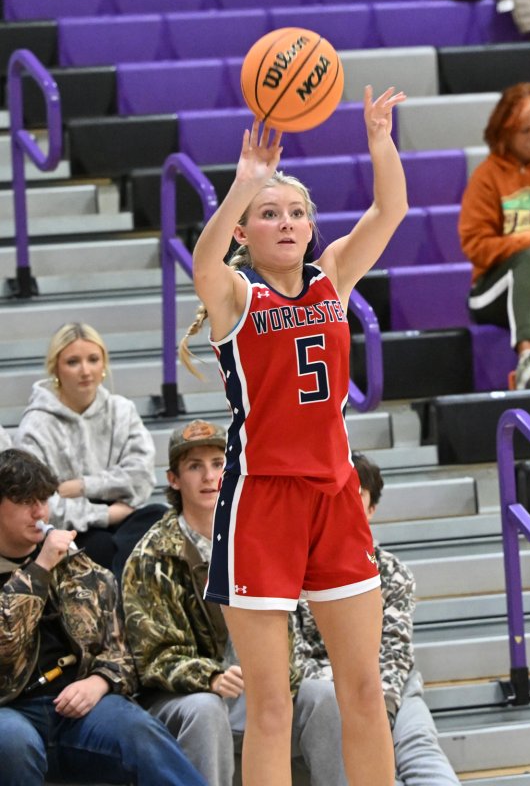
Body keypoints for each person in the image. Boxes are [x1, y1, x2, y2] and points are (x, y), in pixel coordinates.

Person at [180, 84, 408, 786]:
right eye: (269, 215)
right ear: (247, 233)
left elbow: (390, 210)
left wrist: (379, 142)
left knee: (364, 692)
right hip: (262, 501)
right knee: (272, 705)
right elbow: (205, 262)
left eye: (297, 212)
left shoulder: (333, 277)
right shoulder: (236, 295)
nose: (286, 223)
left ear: (312, 226)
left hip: (335, 494)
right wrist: (243, 186)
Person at [122, 419, 347, 785]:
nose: (209, 476)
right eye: (194, 466)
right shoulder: (152, 556)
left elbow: (286, 634)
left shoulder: (262, 539)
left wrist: (275, 680)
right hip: (188, 698)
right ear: (174, 479)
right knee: (206, 710)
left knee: (325, 697)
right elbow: (151, 658)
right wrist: (209, 676)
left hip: (261, 692)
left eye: (217, 463)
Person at [0, 447, 207, 786]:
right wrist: (40, 569)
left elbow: (122, 651)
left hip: (80, 705)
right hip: (10, 711)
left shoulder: (79, 568)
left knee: (138, 730)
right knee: (11, 744)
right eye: (25, 501)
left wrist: (100, 682)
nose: (39, 511)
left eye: (43, 498)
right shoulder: (48, 562)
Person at [293, 452, 461, 786]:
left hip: (392, 688)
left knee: (419, 747)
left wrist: (379, 704)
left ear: (370, 509)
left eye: (354, 498)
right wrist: (355, 697)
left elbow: (396, 651)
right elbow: (295, 658)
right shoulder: (292, 572)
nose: (341, 508)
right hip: (326, 693)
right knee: (362, 753)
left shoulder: (393, 572)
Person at [14, 322, 166, 580]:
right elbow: (43, 503)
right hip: (71, 527)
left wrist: (84, 486)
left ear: (103, 364)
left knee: (159, 519)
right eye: (73, 362)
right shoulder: (35, 425)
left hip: (123, 514)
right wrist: (105, 514)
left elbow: (140, 476)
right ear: (56, 369)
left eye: (93, 359)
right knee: (100, 547)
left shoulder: (122, 410)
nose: (85, 371)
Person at [459, 82, 530, 390]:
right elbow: (476, 246)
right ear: (505, 132)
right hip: (493, 290)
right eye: (526, 131)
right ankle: (527, 360)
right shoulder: (487, 177)